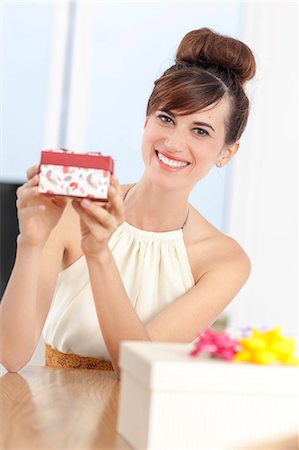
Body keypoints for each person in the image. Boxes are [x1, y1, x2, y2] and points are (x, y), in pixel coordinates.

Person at [0, 28, 256, 377]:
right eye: (166, 118)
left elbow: (133, 366)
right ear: (146, 121)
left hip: (143, 422)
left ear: (227, 152)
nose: (174, 143)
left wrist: (99, 253)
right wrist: (29, 243)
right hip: (52, 416)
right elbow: (13, 356)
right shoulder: (74, 211)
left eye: (200, 131)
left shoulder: (224, 259)